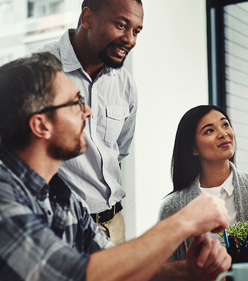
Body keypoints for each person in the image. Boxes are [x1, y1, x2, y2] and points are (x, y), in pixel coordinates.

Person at [0, 53, 231, 281]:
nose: (88, 111)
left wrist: (188, 271)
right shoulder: (4, 196)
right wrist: (183, 221)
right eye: (76, 103)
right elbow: (71, 274)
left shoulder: (62, 195)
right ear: (41, 125)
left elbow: (115, 265)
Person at [33, 0, 144, 244]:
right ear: (87, 18)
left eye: (136, 31)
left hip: (114, 225)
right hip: (60, 229)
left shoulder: (125, 84)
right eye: (121, 25)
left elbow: (119, 151)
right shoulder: (39, 70)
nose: (129, 39)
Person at [158, 105, 248, 265]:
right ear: (194, 148)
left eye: (225, 124)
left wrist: (235, 262)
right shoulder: (172, 206)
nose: (223, 133)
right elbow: (165, 265)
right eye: (209, 131)